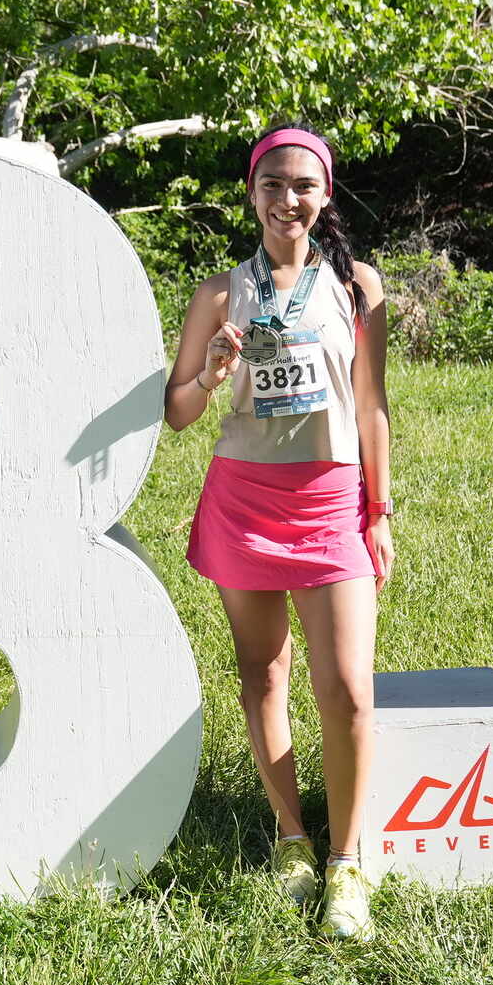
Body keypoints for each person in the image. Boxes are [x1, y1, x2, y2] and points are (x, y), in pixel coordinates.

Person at [163, 121, 395, 939]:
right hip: (245, 502)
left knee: (349, 688)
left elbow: (371, 406)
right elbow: (177, 411)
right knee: (263, 673)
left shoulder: (357, 286)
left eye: (303, 185)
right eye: (272, 184)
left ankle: (347, 861)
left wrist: (380, 511)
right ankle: (293, 838)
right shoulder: (218, 294)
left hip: (330, 502)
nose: (287, 199)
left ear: (324, 194)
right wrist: (209, 373)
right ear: (251, 193)